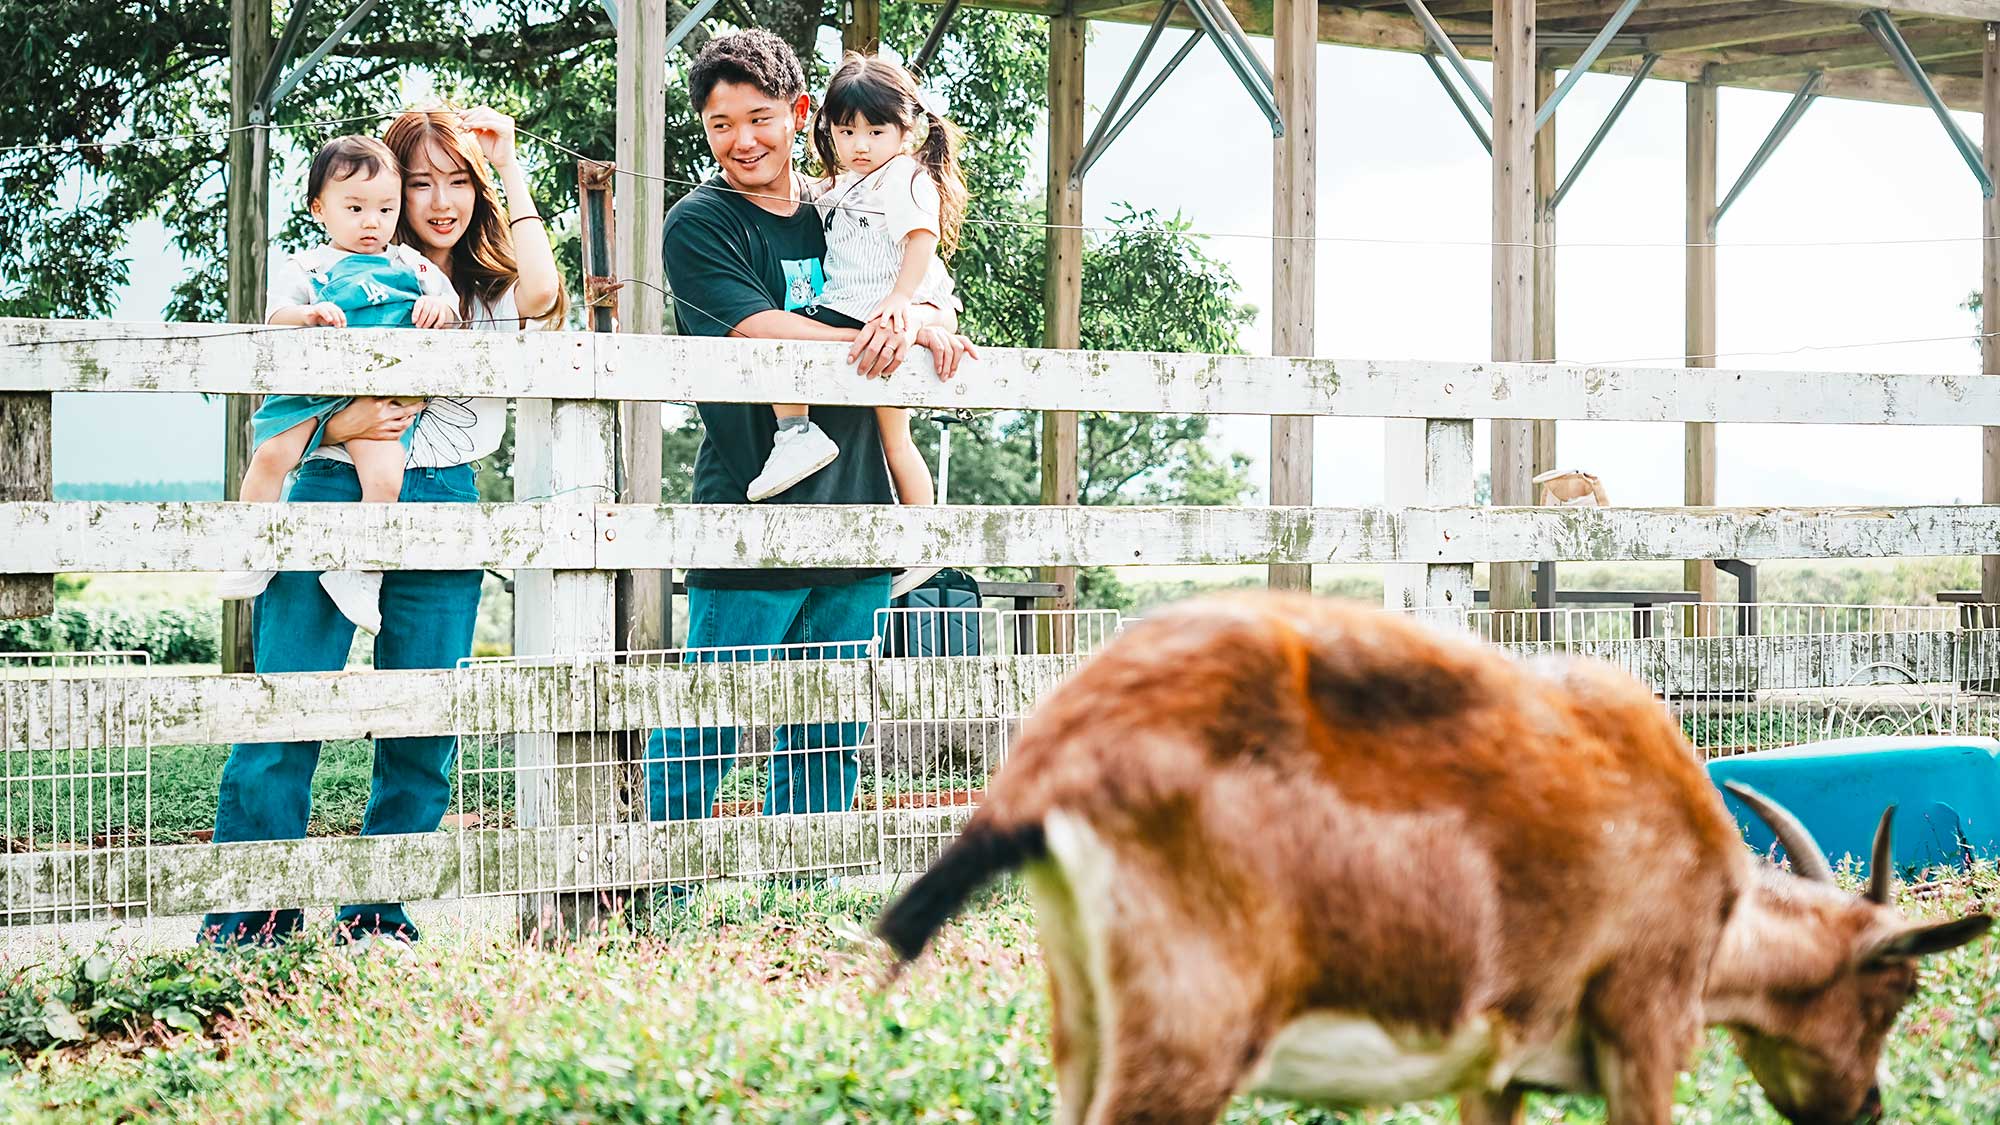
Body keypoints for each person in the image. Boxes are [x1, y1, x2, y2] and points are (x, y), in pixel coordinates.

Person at [198, 105, 564, 950]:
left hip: (445, 499)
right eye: (420, 183)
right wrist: (351, 422)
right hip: (328, 485)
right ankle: (252, 909)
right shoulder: (325, 277)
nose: (440, 202)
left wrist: (507, 165)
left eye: (456, 182)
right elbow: (285, 406)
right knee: (288, 702)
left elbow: (544, 294)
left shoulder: (476, 289)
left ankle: (376, 908)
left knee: (423, 711)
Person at [648, 29, 976, 827]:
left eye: (759, 117)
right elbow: (754, 327)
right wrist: (880, 343)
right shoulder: (701, 222)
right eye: (720, 124)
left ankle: (801, 894)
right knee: (710, 718)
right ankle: (659, 890)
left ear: (802, 115)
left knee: (827, 728)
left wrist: (926, 317)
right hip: (754, 500)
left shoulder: (849, 205)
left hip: (859, 503)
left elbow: (919, 276)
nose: (741, 140)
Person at [217, 135, 460, 634]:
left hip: (377, 397)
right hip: (311, 392)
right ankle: (251, 545)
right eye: (354, 208)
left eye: (385, 209)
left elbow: (452, 310)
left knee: (385, 480)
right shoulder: (308, 266)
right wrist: (305, 314)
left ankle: (360, 573)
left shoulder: (412, 267)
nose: (372, 222)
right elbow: (275, 316)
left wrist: (441, 309)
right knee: (270, 457)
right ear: (319, 209)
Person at [746, 52, 962, 546]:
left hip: (871, 307)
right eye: (846, 132)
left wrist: (902, 301)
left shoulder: (905, 177)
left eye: (875, 132)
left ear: (906, 130)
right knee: (895, 439)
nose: (859, 145)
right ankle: (919, 542)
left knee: (785, 335)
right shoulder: (843, 185)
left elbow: (921, 237)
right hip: (870, 312)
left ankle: (797, 433)